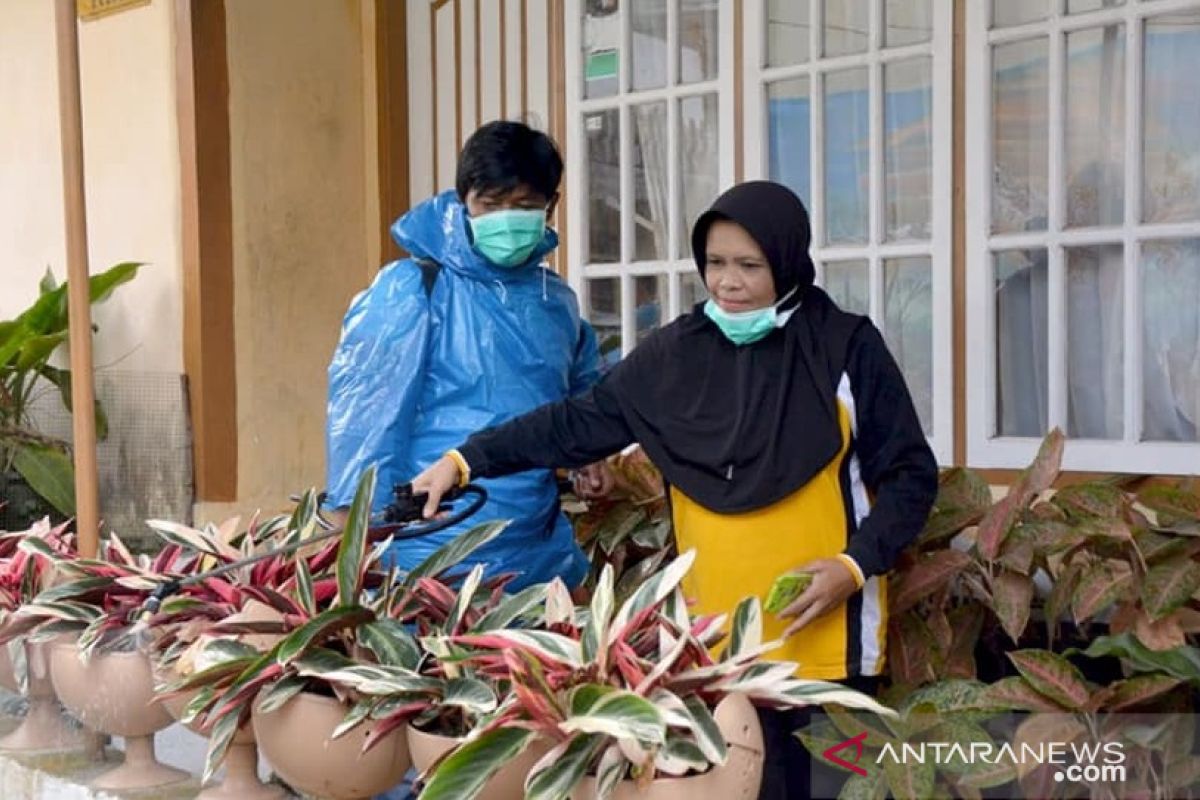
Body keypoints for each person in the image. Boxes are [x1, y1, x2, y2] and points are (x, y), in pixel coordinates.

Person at [410, 180, 939, 798]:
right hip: (715, 658)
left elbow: (909, 474)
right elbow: (577, 423)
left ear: (788, 261)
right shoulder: (674, 357)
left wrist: (854, 568)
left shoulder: (846, 348)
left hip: (829, 655)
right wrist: (465, 460)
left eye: (749, 265)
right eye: (715, 263)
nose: (727, 283)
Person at [324, 120, 610, 593]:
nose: (506, 219)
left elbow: (580, 393)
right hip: (429, 546)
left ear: (551, 207)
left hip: (537, 551)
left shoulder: (554, 301)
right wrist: (347, 529)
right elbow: (364, 418)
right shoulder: (413, 288)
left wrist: (588, 457)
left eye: (523, 206)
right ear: (464, 203)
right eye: (491, 205)